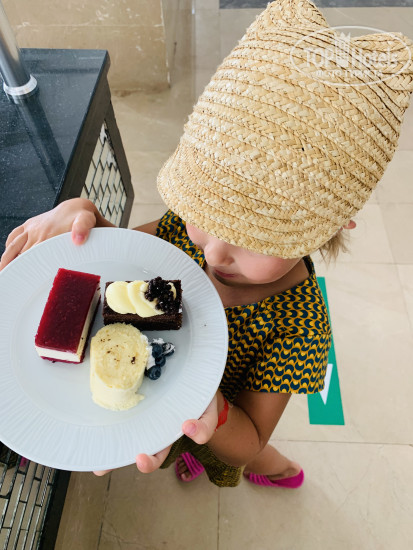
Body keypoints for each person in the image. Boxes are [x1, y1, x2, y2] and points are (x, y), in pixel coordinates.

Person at [1, 0, 412, 488]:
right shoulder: (183, 231)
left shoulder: (301, 326)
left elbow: (250, 437)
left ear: (333, 226)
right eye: (205, 215)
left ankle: (283, 470)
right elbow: (124, 262)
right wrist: (85, 215)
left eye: (256, 240)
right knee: (180, 448)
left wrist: (209, 407)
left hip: (224, 418)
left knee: (242, 458)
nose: (213, 253)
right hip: (163, 402)